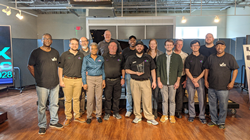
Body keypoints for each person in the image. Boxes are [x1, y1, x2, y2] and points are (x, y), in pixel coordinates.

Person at [28, 33, 63, 135]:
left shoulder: (55, 52)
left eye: (49, 39)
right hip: (42, 84)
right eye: (45, 39)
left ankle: (54, 122)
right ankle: (42, 125)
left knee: (54, 104)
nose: (47, 40)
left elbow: (59, 66)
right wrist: (37, 77)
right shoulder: (35, 52)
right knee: (42, 106)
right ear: (42, 40)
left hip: (54, 83)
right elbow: (30, 66)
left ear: (51, 41)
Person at [204, 40, 239, 129]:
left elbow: (235, 69)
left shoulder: (230, 57)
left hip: (224, 87)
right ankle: (214, 120)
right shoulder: (211, 57)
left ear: (224, 47)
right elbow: (207, 69)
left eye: (221, 46)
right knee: (212, 105)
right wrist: (205, 81)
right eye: (218, 46)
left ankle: (221, 122)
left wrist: (232, 82)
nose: (219, 48)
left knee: (223, 105)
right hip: (212, 86)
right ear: (215, 47)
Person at [125, 41, 158, 125]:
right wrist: (135, 73)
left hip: (146, 81)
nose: (139, 48)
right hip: (134, 82)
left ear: (143, 47)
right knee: (136, 100)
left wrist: (154, 81)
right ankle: (137, 116)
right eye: (137, 46)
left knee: (147, 100)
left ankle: (150, 117)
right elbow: (126, 70)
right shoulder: (130, 58)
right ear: (135, 47)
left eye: (141, 46)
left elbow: (153, 70)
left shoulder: (148, 57)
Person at [58, 38, 85, 126]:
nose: (74, 45)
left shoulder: (81, 55)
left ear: (78, 45)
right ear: (69, 45)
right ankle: (68, 117)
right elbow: (60, 68)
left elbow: (83, 69)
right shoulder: (64, 55)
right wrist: (60, 80)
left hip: (78, 80)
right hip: (67, 80)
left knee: (77, 99)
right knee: (68, 100)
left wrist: (83, 81)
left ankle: (77, 116)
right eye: (72, 44)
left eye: (76, 44)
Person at [157, 39, 183, 124]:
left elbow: (180, 70)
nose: (169, 46)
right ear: (165, 46)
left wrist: (178, 81)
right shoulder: (160, 57)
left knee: (172, 100)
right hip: (163, 82)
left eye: (170, 45)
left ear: (173, 46)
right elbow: (158, 70)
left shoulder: (177, 57)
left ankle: (171, 115)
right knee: (164, 100)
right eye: (167, 45)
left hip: (173, 82)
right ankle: (165, 115)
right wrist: (159, 81)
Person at [82, 42, 106, 124]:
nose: (94, 50)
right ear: (89, 49)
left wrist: (103, 80)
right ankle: (89, 116)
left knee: (99, 98)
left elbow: (103, 70)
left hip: (99, 78)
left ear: (97, 49)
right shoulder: (86, 58)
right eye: (92, 48)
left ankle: (98, 115)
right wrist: (84, 82)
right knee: (90, 99)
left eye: (95, 48)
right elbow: (83, 70)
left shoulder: (101, 58)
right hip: (90, 79)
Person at [185, 40, 206, 124]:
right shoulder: (188, 58)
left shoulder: (203, 57)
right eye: (193, 45)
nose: (195, 47)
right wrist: (193, 80)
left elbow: (205, 70)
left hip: (200, 79)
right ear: (191, 47)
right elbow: (187, 70)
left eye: (197, 45)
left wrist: (197, 79)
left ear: (199, 47)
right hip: (190, 79)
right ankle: (192, 115)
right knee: (191, 98)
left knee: (201, 98)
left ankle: (202, 116)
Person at [103, 41, 125, 120]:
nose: (113, 47)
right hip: (107, 80)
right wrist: (103, 80)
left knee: (116, 97)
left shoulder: (120, 57)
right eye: (111, 46)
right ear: (108, 47)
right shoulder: (104, 56)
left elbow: (123, 68)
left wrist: (123, 78)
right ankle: (107, 113)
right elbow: (101, 69)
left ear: (117, 48)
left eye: (114, 46)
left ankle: (116, 112)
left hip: (117, 80)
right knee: (107, 98)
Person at [146, 39, 163, 119]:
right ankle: (149, 110)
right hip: (147, 77)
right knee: (148, 95)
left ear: (156, 45)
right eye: (151, 44)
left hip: (157, 77)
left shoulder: (160, 54)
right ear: (149, 45)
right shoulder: (145, 54)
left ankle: (155, 110)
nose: (152, 45)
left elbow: (162, 67)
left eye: (154, 44)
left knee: (156, 95)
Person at [173, 39, 188, 118]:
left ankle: (178, 111)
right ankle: (171, 111)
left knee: (180, 95)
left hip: (182, 77)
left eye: (181, 44)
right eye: (178, 44)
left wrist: (185, 80)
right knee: (171, 95)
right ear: (175, 44)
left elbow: (187, 69)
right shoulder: (170, 53)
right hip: (171, 77)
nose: (179, 46)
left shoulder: (185, 55)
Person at [122, 35, 137, 117]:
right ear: (128, 42)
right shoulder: (125, 51)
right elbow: (123, 66)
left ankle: (137, 109)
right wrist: (123, 77)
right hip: (128, 75)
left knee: (137, 93)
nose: (132, 41)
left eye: (134, 40)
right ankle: (129, 109)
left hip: (137, 75)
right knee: (129, 93)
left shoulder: (138, 50)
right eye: (131, 40)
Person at [79, 37, 91, 116]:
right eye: (82, 41)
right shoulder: (78, 53)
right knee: (81, 95)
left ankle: (91, 109)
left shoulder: (93, 52)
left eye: (85, 41)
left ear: (88, 42)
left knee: (91, 94)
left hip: (91, 76)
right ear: (80, 43)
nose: (84, 43)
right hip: (81, 76)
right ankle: (81, 110)